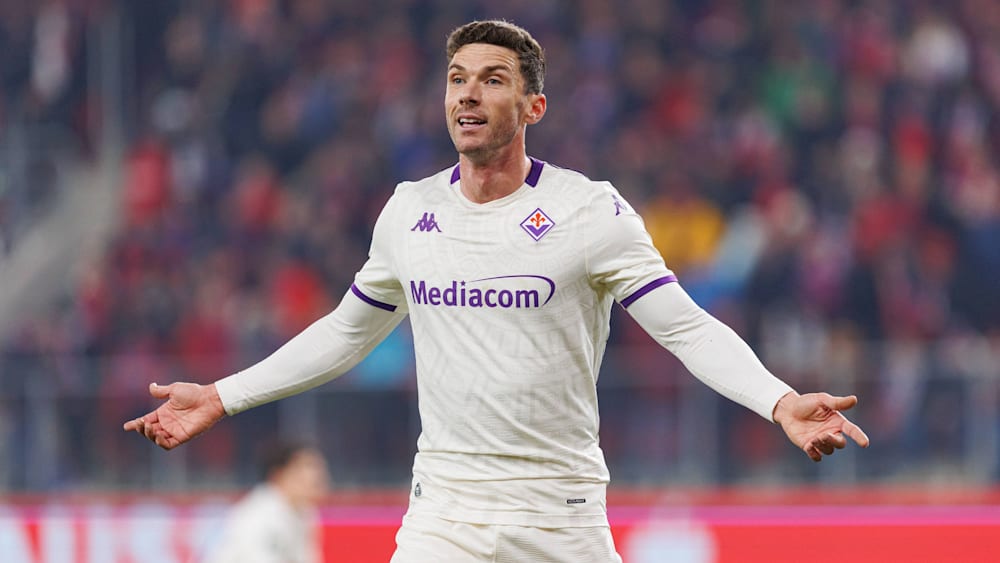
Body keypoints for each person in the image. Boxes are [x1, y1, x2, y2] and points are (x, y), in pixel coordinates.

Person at [125, 20, 869, 562]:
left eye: (492, 79)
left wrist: (778, 401)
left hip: (559, 516)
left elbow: (686, 327)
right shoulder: (409, 211)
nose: (468, 95)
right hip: (443, 517)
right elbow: (346, 331)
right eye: (457, 79)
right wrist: (222, 394)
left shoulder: (590, 212)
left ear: (533, 107)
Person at [201, 441, 329, 563]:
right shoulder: (258, 514)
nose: (316, 475)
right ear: (279, 474)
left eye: (318, 467)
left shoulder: (304, 512)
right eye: (307, 466)